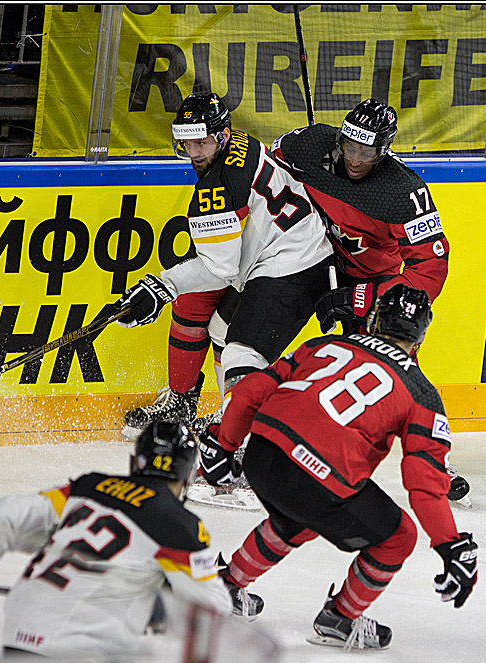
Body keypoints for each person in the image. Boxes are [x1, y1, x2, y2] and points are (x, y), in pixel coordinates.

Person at [195, 284, 478, 650]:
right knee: (398, 537)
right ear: (420, 338)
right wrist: (449, 544)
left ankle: (227, 584)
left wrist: (223, 442)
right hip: (318, 476)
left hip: (263, 455)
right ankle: (340, 618)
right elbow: (424, 484)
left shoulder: (323, 346)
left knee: (297, 517)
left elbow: (250, 391)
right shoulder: (422, 394)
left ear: (374, 321)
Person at [271, 98, 470, 506]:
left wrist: (364, 297)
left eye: (367, 151)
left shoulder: (404, 192)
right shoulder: (309, 144)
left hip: (373, 279)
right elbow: (266, 169)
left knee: (397, 368)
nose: (355, 159)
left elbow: (430, 268)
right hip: (310, 258)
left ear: (385, 150)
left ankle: (434, 463)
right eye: (350, 147)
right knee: (266, 328)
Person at [118, 92, 334, 444]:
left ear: (221, 135)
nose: (194, 152)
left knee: (239, 350)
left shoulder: (216, 188)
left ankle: (242, 441)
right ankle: (203, 407)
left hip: (292, 269)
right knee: (216, 325)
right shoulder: (242, 142)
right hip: (298, 251)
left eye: (201, 142)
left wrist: (161, 286)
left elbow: (219, 269)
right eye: (187, 143)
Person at [0, 421, 233, 663]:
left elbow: (8, 514)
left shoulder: (87, 487)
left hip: (16, 641)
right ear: (188, 477)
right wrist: (162, 598)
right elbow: (213, 609)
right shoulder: (179, 526)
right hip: (79, 657)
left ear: (134, 461)